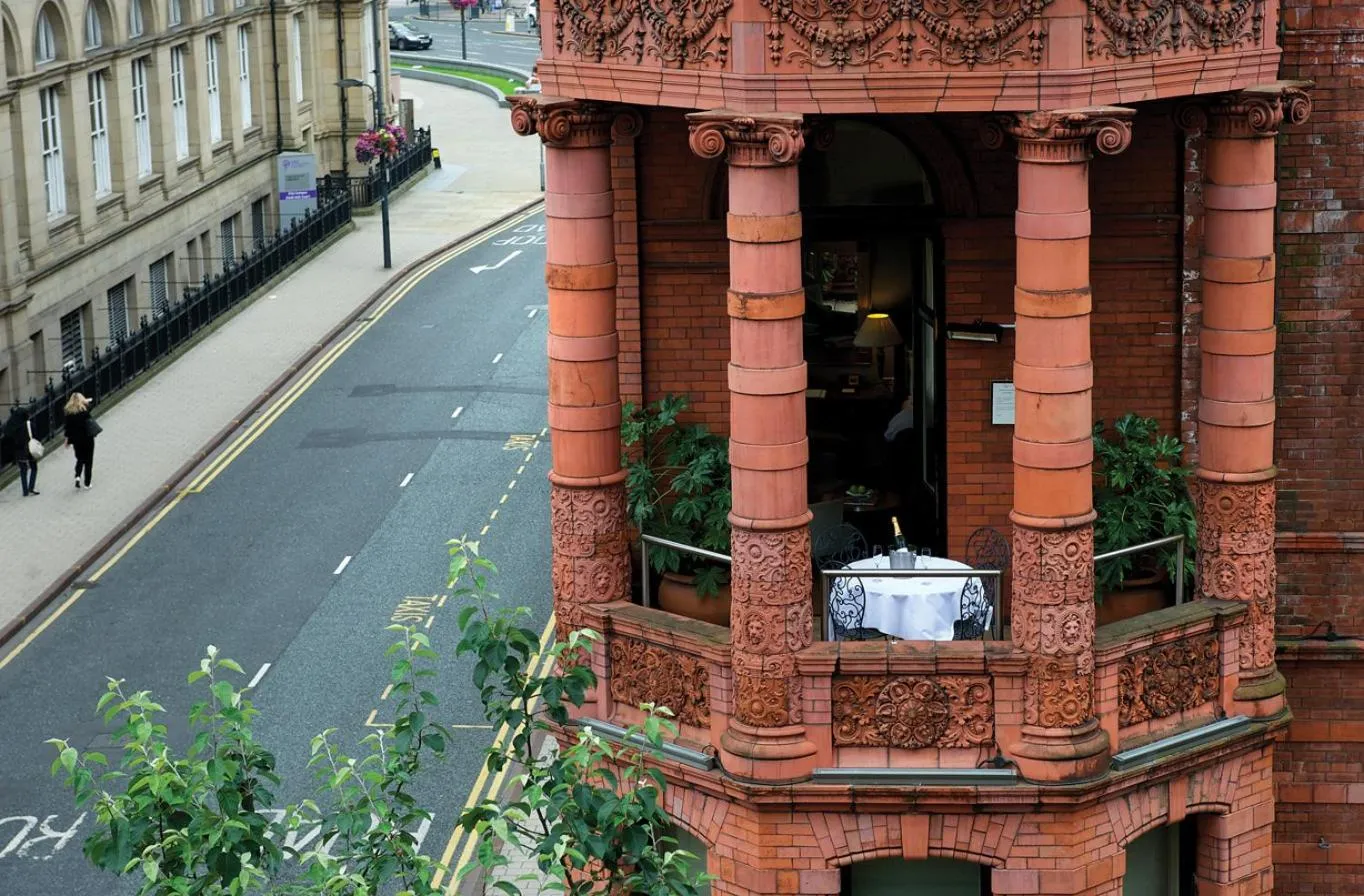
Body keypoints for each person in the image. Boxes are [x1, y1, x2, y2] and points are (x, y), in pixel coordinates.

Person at [63, 393, 97, 490]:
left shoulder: (68, 413)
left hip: (76, 441)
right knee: (89, 461)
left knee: (80, 458)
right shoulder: (85, 411)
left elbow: (67, 429)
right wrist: (86, 401)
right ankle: (87, 483)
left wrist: (67, 441)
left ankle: (77, 476)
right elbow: (93, 403)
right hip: (87, 438)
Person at [4, 407, 39, 496]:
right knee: (34, 468)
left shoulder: (13, 427)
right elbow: (35, 435)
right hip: (30, 449)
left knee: (23, 470)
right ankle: (31, 487)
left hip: (19, 451)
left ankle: (25, 491)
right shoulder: (29, 424)